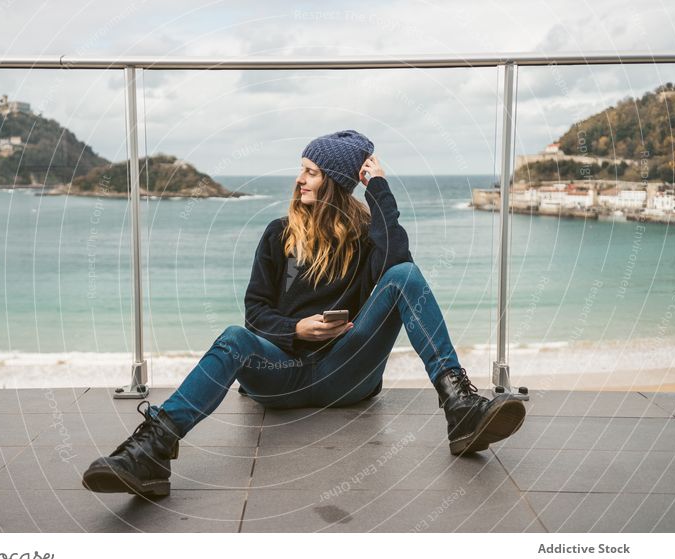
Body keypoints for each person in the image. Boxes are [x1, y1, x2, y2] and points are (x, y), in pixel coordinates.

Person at [81, 129, 526, 498]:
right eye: (302, 170)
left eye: (311, 172)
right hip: (280, 373)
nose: (299, 180)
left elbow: (396, 260)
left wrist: (380, 189)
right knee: (234, 335)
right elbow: (255, 311)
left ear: (332, 181)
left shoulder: (364, 237)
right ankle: (152, 451)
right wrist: (296, 328)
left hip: (345, 372)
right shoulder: (278, 235)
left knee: (406, 274)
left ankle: (460, 405)